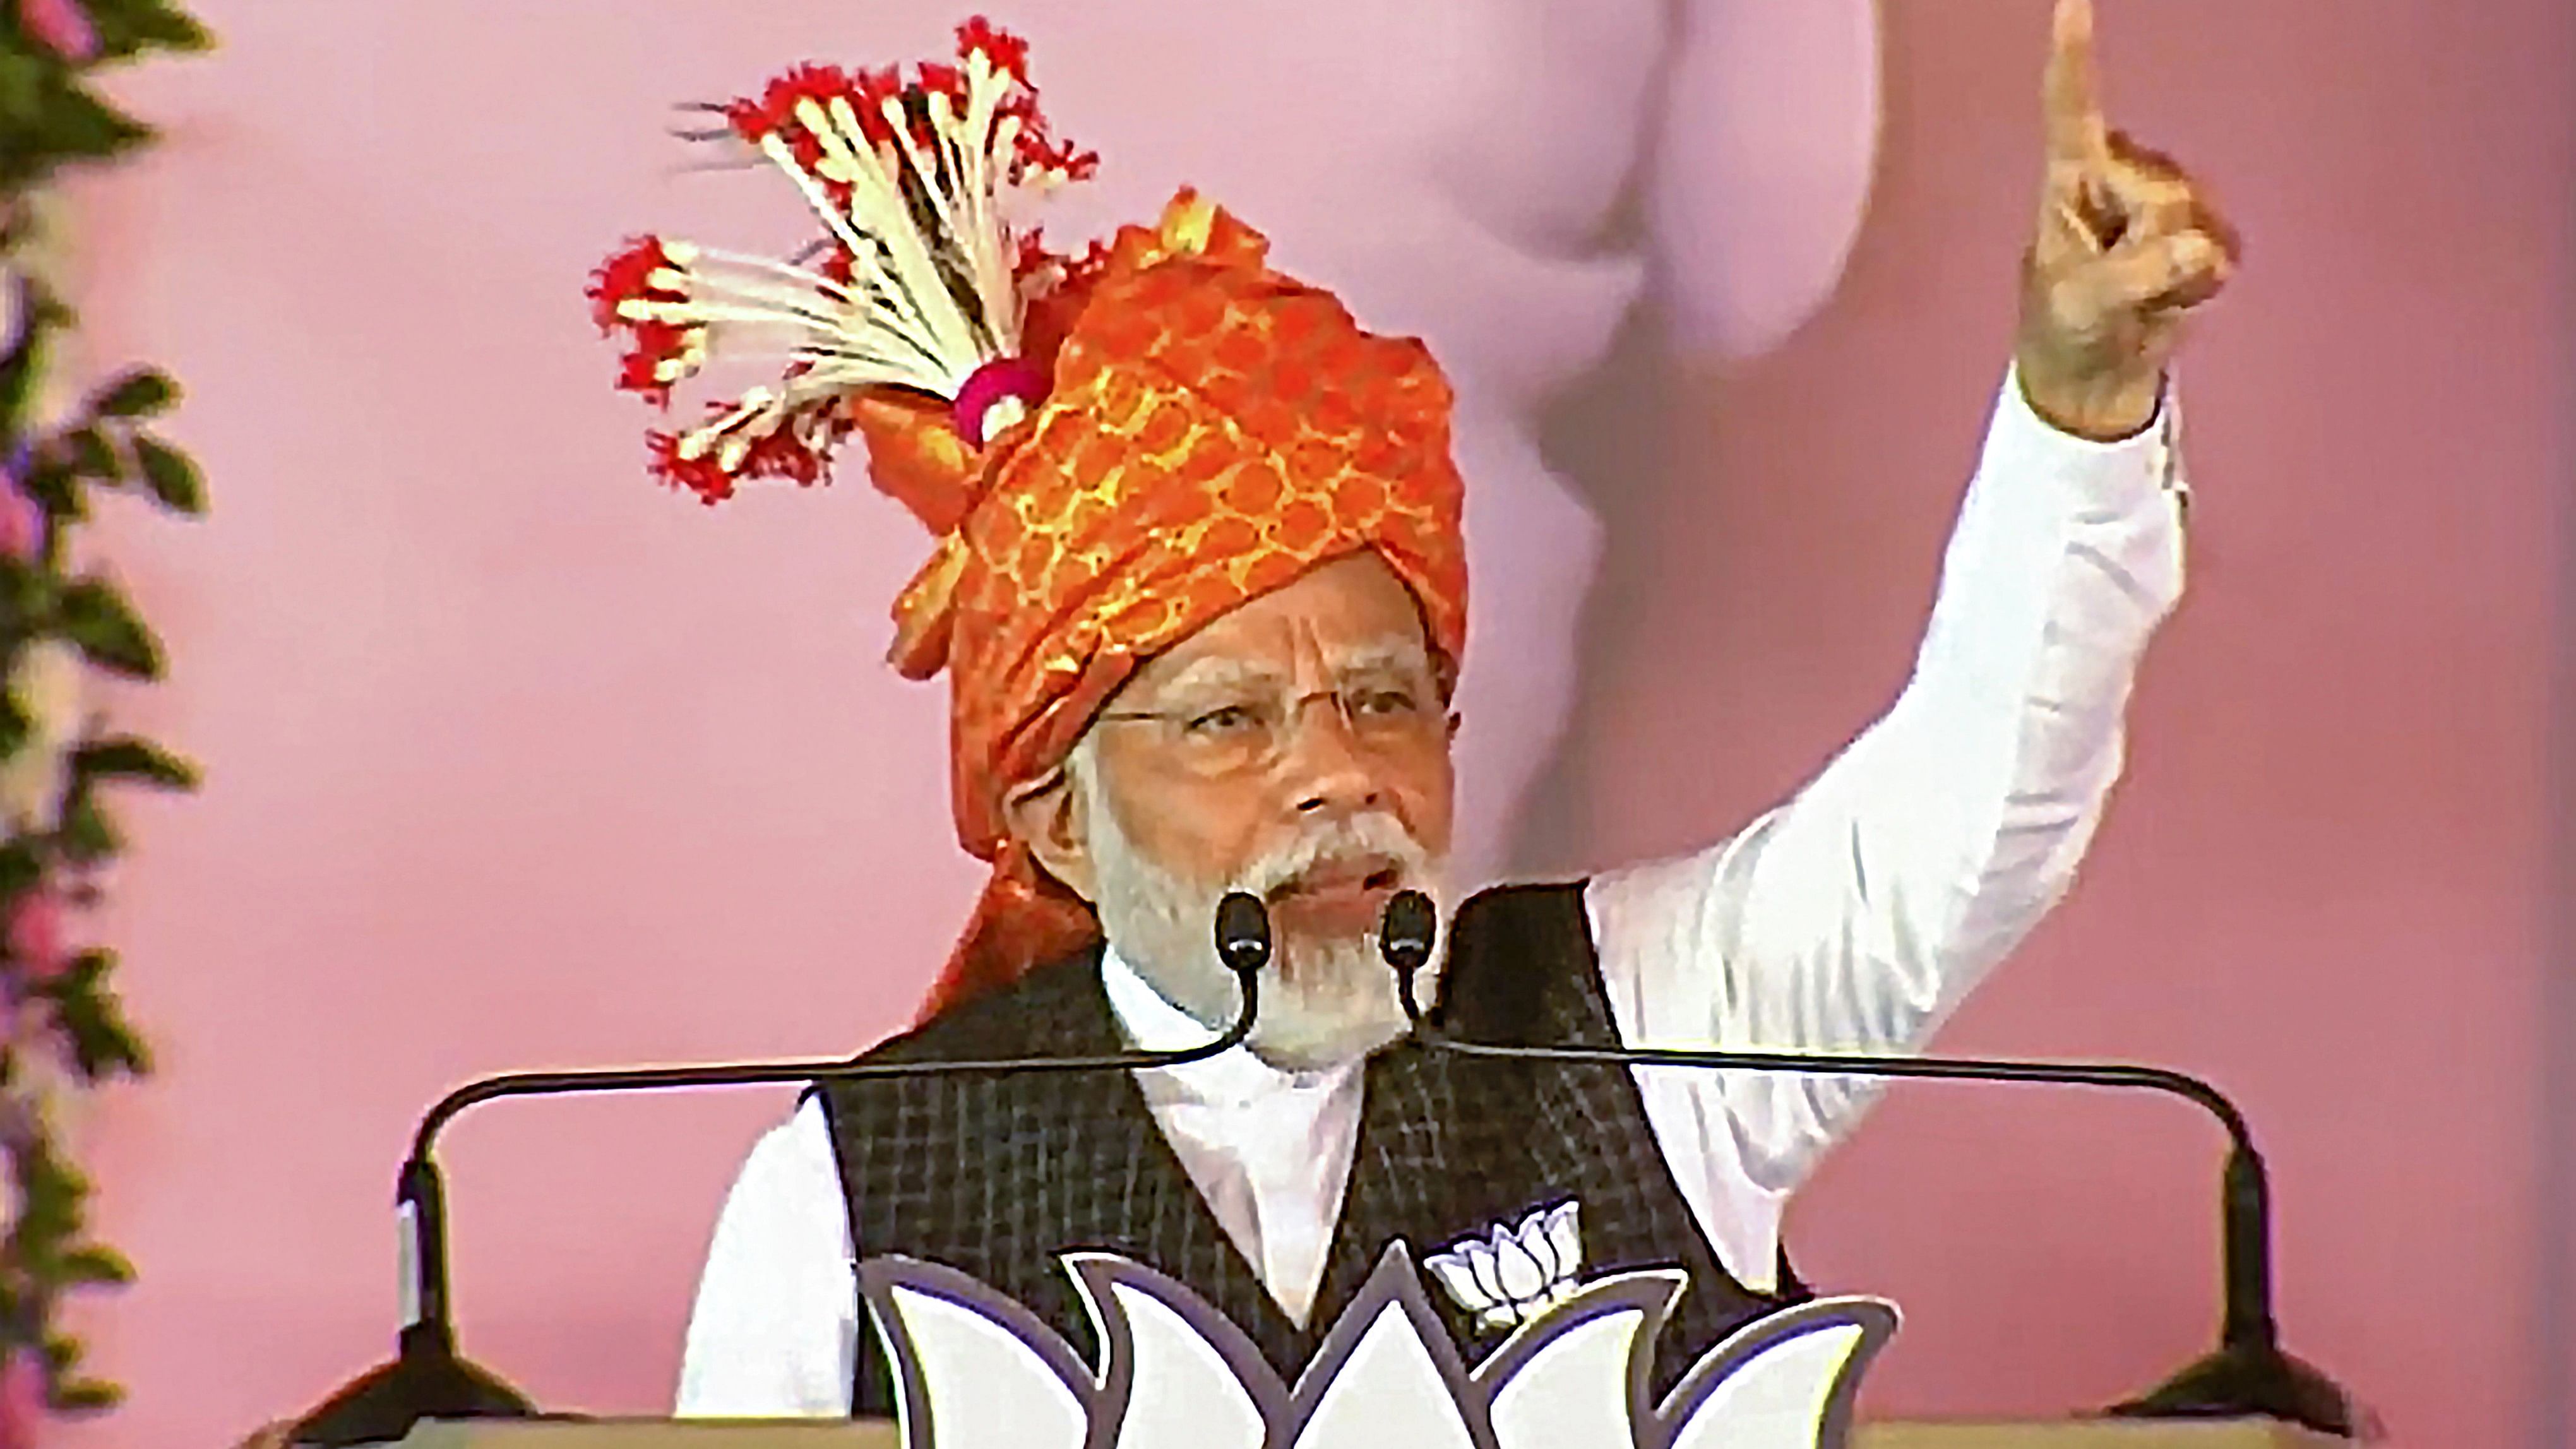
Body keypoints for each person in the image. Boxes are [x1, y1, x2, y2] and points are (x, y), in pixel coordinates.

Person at [583, 0, 2237, 1419]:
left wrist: (2078, 417)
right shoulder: (859, 1192)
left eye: (1384, 700)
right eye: (1231, 725)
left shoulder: (1646, 1026)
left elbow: (1975, 817)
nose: (1336, 778)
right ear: (1057, 825)